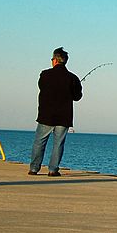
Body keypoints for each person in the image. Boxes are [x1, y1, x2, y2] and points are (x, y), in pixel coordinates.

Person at [28, 47, 83, 176]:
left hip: (46, 115)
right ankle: (53, 170)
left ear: (55, 60)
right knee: (58, 144)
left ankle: (34, 168)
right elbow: (77, 97)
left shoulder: (45, 75)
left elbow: (41, 86)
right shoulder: (73, 78)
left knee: (39, 142)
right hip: (64, 117)